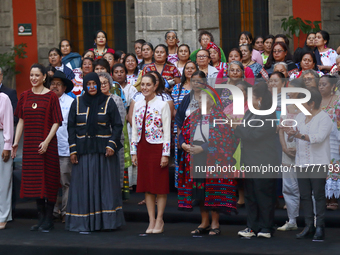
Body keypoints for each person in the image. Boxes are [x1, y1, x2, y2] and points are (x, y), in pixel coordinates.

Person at [66, 72, 124, 233]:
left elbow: (118, 125)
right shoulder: (76, 103)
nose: (92, 87)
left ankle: (106, 223)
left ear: (98, 84)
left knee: (104, 187)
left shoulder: (109, 102)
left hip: (104, 154)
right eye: (88, 84)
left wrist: (112, 144)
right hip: (83, 152)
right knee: (84, 188)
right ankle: (84, 223)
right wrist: (73, 150)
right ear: (84, 85)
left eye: (94, 84)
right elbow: (71, 127)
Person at [178, 88, 238, 236]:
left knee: (213, 190)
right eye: (199, 99)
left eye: (204, 99)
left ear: (212, 101)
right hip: (195, 157)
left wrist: (203, 148)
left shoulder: (219, 117)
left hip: (213, 160)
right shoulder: (194, 116)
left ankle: (215, 223)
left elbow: (223, 139)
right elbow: (182, 133)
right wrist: (183, 144)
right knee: (199, 190)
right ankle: (204, 222)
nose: (200, 101)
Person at [12, 63, 63, 232]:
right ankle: (40, 217)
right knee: (35, 181)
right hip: (30, 145)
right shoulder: (25, 96)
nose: (33, 78)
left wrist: (47, 141)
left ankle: (49, 218)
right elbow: (21, 121)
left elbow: (57, 121)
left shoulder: (51, 97)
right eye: (31, 75)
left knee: (49, 180)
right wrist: (16, 141)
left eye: (36, 75)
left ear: (43, 77)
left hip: (47, 145)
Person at [284, 88, 332, 241]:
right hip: (301, 162)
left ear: (312, 103)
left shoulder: (324, 118)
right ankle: (308, 226)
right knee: (304, 196)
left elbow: (318, 138)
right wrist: (291, 134)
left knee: (318, 195)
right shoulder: (299, 116)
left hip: (318, 162)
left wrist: (298, 134)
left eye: (303, 102)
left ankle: (320, 227)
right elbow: (294, 137)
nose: (300, 106)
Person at [235, 82, 279, 238]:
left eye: (251, 96)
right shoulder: (249, 112)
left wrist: (237, 127)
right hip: (249, 159)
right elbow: (245, 131)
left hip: (265, 159)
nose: (248, 99)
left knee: (264, 194)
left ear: (259, 98)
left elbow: (253, 135)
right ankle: (252, 227)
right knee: (250, 194)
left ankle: (266, 227)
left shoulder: (268, 114)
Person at [131, 74, 171, 234]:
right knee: (147, 186)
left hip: (157, 147)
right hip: (142, 147)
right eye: (143, 85)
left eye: (149, 85)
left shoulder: (162, 105)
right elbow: (134, 129)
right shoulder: (138, 104)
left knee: (159, 186)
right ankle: (151, 219)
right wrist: (133, 151)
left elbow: (167, 131)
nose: (145, 87)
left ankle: (160, 219)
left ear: (155, 86)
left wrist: (165, 154)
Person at [277, 78, 305, 231]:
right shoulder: (286, 105)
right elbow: (281, 128)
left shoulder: (308, 106)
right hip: (287, 150)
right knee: (288, 186)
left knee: (308, 187)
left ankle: (312, 220)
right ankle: (292, 220)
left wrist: (298, 147)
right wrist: (284, 148)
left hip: (304, 150)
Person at [98, 72, 129, 199]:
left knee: (113, 177)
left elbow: (120, 122)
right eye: (100, 83)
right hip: (98, 143)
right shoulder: (93, 99)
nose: (103, 85)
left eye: (105, 82)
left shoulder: (115, 99)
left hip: (114, 142)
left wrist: (112, 141)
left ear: (110, 84)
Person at [49, 71, 74, 223]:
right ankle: (52, 211)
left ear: (64, 87)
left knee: (66, 181)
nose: (55, 87)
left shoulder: (71, 102)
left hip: (65, 148)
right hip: (48, 148)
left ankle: (66, 211)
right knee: (51, 181)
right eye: (53, 84)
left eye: (58, 84)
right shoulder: (46, 100)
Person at [172, 61, 198, 188]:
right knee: (181, 159)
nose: (189, 70)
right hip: (182, 128)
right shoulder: (177, 87)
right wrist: (179, 135)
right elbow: (176, 111)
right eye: (187, 68)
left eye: (192, 68)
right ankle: (182, 187)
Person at [318, 75, 340, 210]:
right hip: (318, 141)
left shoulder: (338, 101)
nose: (321, 87)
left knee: (333, 168)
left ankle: (333, 198)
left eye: (324, 84)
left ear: (332, 86)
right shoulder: (316, 101)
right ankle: (322, 198)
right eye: (319, 84)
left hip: (333, 140)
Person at [0, 92, 13, 230]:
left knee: (3, 179)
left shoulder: (3, 98)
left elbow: (8, 122)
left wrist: (7, 145)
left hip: (1, 137)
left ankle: (3, 216)